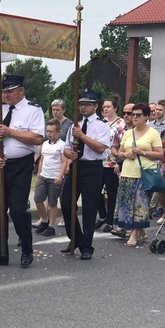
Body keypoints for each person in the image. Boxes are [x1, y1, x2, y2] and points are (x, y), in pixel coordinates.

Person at [0, 74, 44, 268]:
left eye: (10, 91)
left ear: (21, 91)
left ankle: (26, 250)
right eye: (4, 91)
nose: (6, 95)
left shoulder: (33, 110)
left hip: (20, 165)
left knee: (17, 210)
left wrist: (10, 132)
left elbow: (37, 138)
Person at [60, 91, 111, 259]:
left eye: (87, 104)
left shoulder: (102, 125)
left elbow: (100, 148)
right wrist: (69, 154)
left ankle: (87, 246)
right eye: (81, 104)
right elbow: (66, 147)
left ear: (95, 106)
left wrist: (82, 135)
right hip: (76, 166)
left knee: (89, 208)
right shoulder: (75, 125)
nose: (83, 107)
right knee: (66, 203)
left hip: (93, 168)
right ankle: (75, 238)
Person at [112, 103, 163, 246]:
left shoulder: (153, 133)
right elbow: (119, 153)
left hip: (143, 173)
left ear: (146, 116)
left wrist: (143, 152)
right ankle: (139, 230)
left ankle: (133, 234)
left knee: (139, 204)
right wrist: (125, 154)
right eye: (133, 114)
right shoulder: (128, 133)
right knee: (127, 204)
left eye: (138, 115)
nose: (134, 117)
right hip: (127, 173)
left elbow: (160, 154)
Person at [34, 119, 67, 237]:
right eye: (47, 131)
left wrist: (60, 176)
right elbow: (42, 160)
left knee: (52, 202)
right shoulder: (44, 144)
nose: (49, 134)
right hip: (44, 175)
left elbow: (64, 162)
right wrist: (39, 174)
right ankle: (44, 219)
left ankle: (51, 225)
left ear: (58, 132)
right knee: (38, 198)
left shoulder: (62, 145)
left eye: (51, 131)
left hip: (55, 177)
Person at [96, 96, 125, 232]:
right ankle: (103, 215)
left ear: (115, 108)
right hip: (98, 162)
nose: (105, 109)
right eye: (104, 107)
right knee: (95, 191)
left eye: (108, 106)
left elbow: (122, 143)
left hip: (112, 163)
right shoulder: (100, 122)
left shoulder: (121, 124)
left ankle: (110, 221)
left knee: (112, 192)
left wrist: (120, 159)